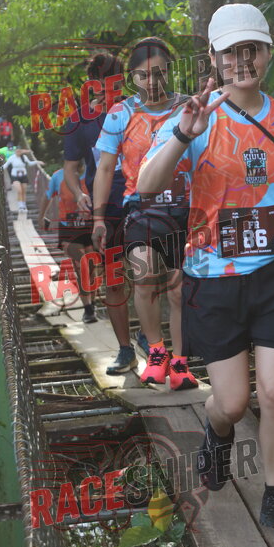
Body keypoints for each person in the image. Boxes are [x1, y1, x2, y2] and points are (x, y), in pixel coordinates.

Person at [138, 3, 274, 542]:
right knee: (233, 402)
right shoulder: (195, 117)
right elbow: (147, 185)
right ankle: (216, 432)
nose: (243, 60)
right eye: (231, 52)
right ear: (214, 58)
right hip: (214, 278)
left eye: (253, 49)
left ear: (267, 53)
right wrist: (183, 133)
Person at [94, 37, 198, 391]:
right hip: (140, 208)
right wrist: (98, 218)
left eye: (159, 73)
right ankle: (156, 351)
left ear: (170, 71)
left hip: (185, 207)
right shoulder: (120, 114)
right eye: (143, 75)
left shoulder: (189, 108)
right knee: (144, 274)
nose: (152, 81)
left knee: (178, 288)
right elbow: (105, 168)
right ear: (131, 77)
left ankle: (180, 361)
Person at [63, 52, 148, 373]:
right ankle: (125, 350)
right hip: (105, 207)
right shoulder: (80, 120)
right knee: (114, 278)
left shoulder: (138, 109)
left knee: (146, 272)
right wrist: (79, 193)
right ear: (91, 83)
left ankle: (149, 338)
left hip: (141, 201)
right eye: (100, 80)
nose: (106, 86)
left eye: (113, 79)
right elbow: (70, 168)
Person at [38, 165, 98, 324]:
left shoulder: (94, 172)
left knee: (92, 268)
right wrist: (41, 216)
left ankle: (92, 303)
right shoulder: (58, 176)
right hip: (68, 227)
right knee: (81, 266)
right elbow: (47, 196)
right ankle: (88, 309)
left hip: (90, 226)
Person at [3, 148, 44, 213]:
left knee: (23, 191)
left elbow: (30, 163)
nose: (18, 152)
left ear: (21, 151)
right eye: (17, 151)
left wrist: (37, 162)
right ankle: (20, 206)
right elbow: (6, 165)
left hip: (24, 176)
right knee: (19, 190)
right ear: (15, 151)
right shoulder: (12, 158)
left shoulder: (24, 157)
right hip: (15, 177)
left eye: (19, 151)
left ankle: (24, 206)